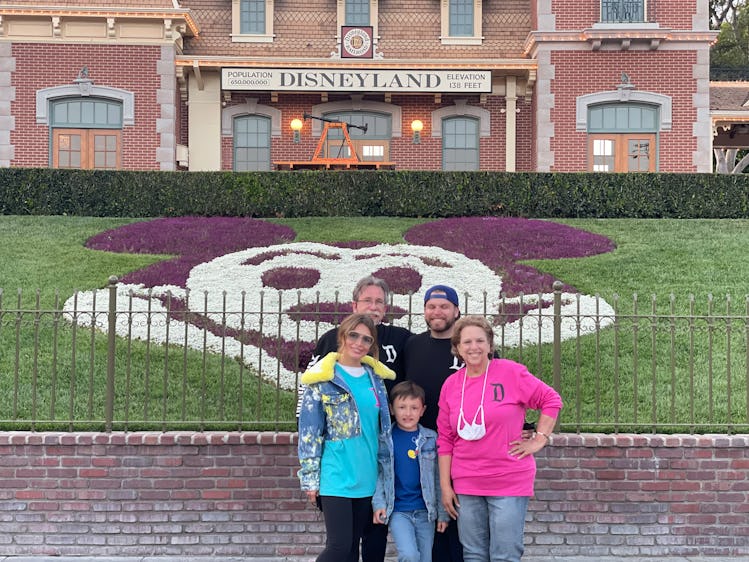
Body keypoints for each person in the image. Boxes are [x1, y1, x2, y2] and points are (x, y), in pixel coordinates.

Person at [298, 275, 413, 562]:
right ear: (343, 336)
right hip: (336, 474)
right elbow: (309, 431)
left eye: (366, 339)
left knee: (352, 551)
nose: (359, 343)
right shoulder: (324, 377)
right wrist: (310, 478)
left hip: (368, 475)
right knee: (338, 548)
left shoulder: (376, 378)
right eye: (354, 336)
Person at [436, 315, 562, 562]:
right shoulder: (451, 385)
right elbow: (445, 439)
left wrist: (539, 438)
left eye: (480, 341)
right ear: (458, 348)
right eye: (467, 342)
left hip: (508, 480)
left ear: (490, 345)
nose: (474, 347)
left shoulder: (511, 373)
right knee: (473, 554)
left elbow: (551, 400)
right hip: (467, 481)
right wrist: (445, 486)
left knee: (504, 554)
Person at [372, 381, 449, 562]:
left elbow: (439, 478)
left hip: (426, 512)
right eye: (402, 407)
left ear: (422, 410)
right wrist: (378, 503)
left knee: (425, 558)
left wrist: (442, 514)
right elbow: (378, 475)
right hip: (399, 511)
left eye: (414, 408)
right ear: (391, 409)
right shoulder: (385, 440)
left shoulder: (431, 439)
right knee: (409, 555)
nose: (408, 413)